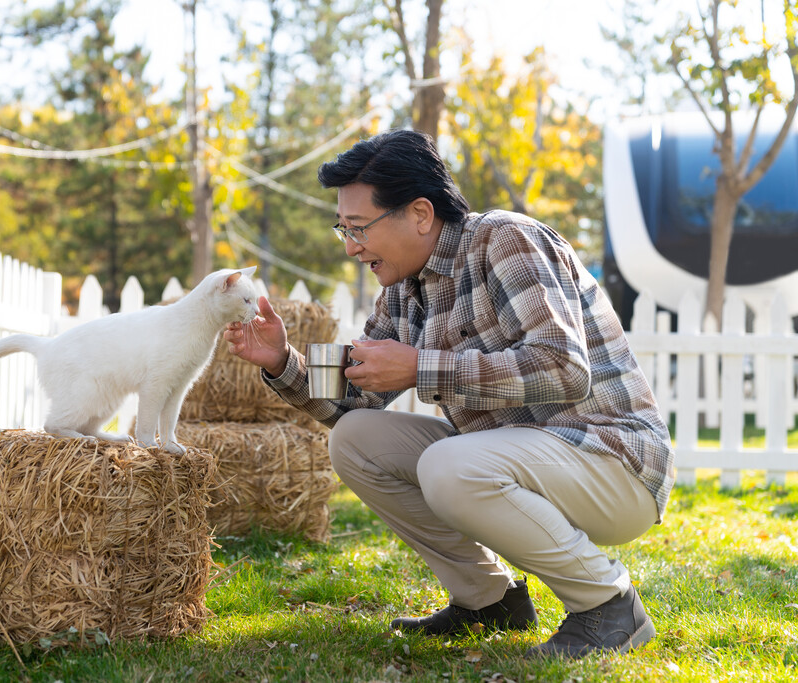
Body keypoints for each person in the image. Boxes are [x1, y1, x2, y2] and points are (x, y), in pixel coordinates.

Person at [222, 128, 674, 659]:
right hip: (519, 459)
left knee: (448, 465)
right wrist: (281, 360)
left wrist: (421, 367)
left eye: (359, 227)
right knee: (355, 438)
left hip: (612, 463)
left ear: (419, 213)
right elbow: (354, 403)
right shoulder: (400, 288)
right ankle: (489, 600)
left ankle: (609, 605)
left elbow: (564, 367)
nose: (350, 247)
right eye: (341, 228)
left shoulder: (507, 240)